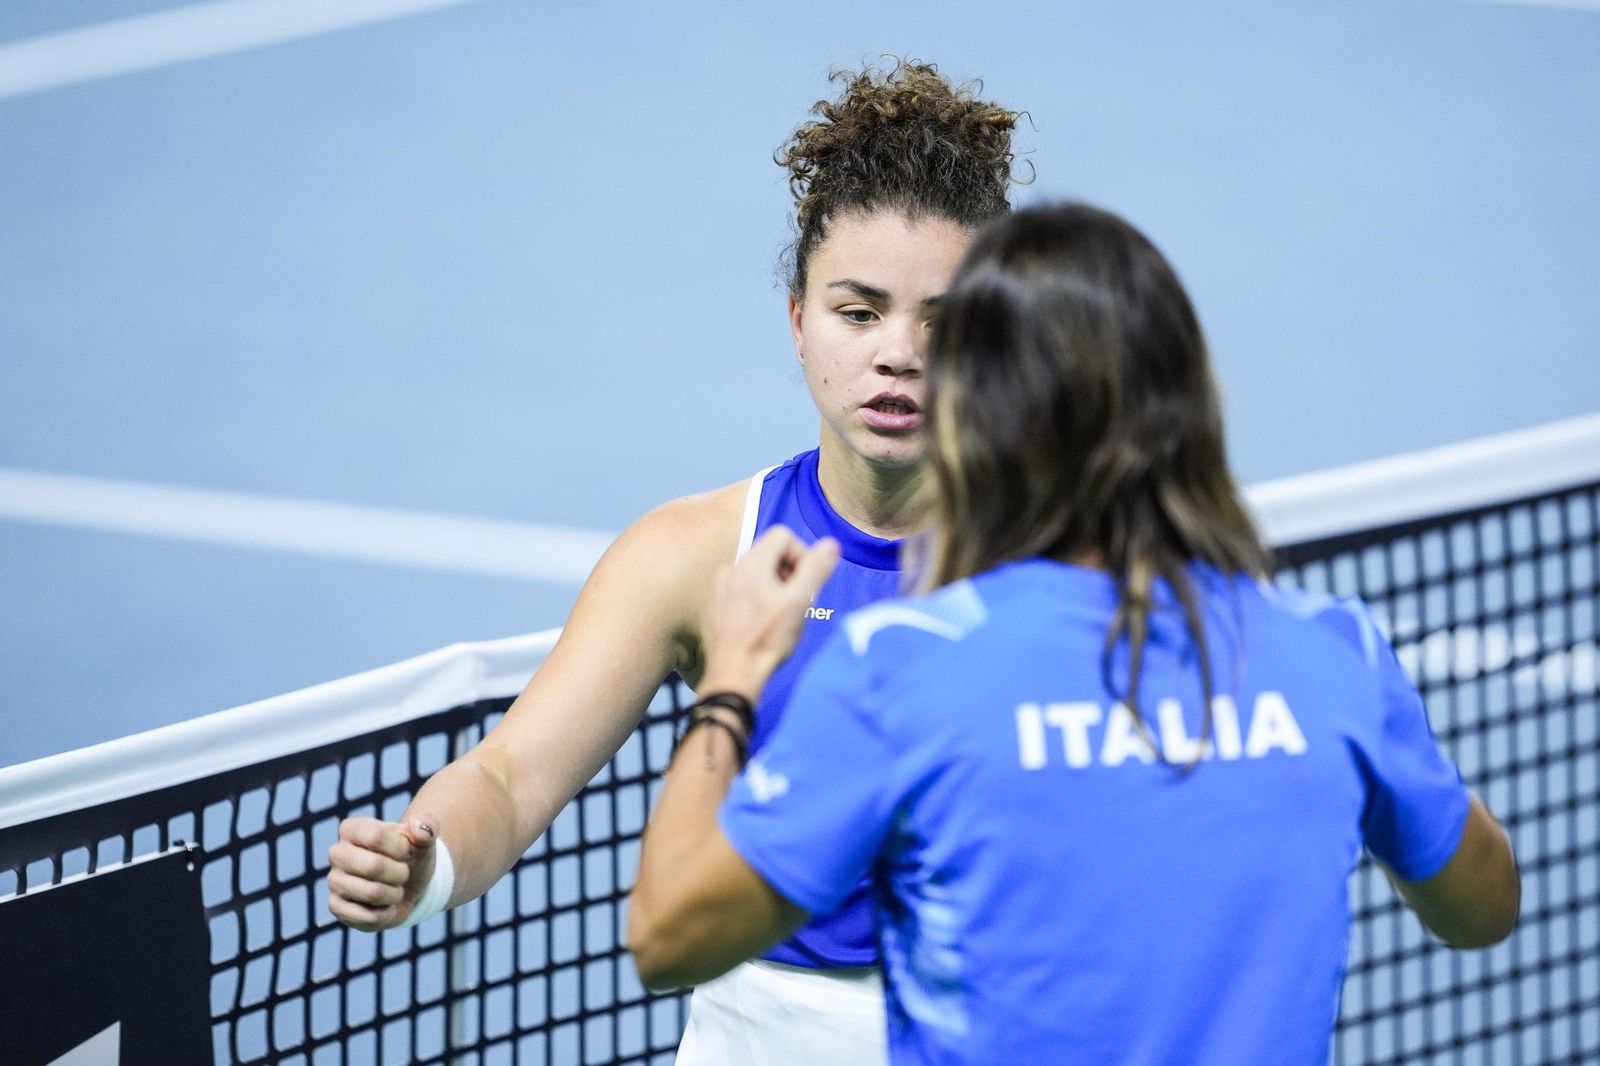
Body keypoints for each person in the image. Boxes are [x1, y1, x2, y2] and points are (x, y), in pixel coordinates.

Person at [627, 202, 1522, 1065]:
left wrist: (733, 681)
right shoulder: (1337, 657)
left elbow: (668, 937)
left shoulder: (904, 674)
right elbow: (1484, 909)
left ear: (981, 421)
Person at [324, 60, 1024, 1064]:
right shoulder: (690, 555)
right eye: (857, 312)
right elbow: (514, 774)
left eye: (943, 321)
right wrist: (422, 860)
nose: (897, 354)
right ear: (797, 321)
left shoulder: (1073, 556)